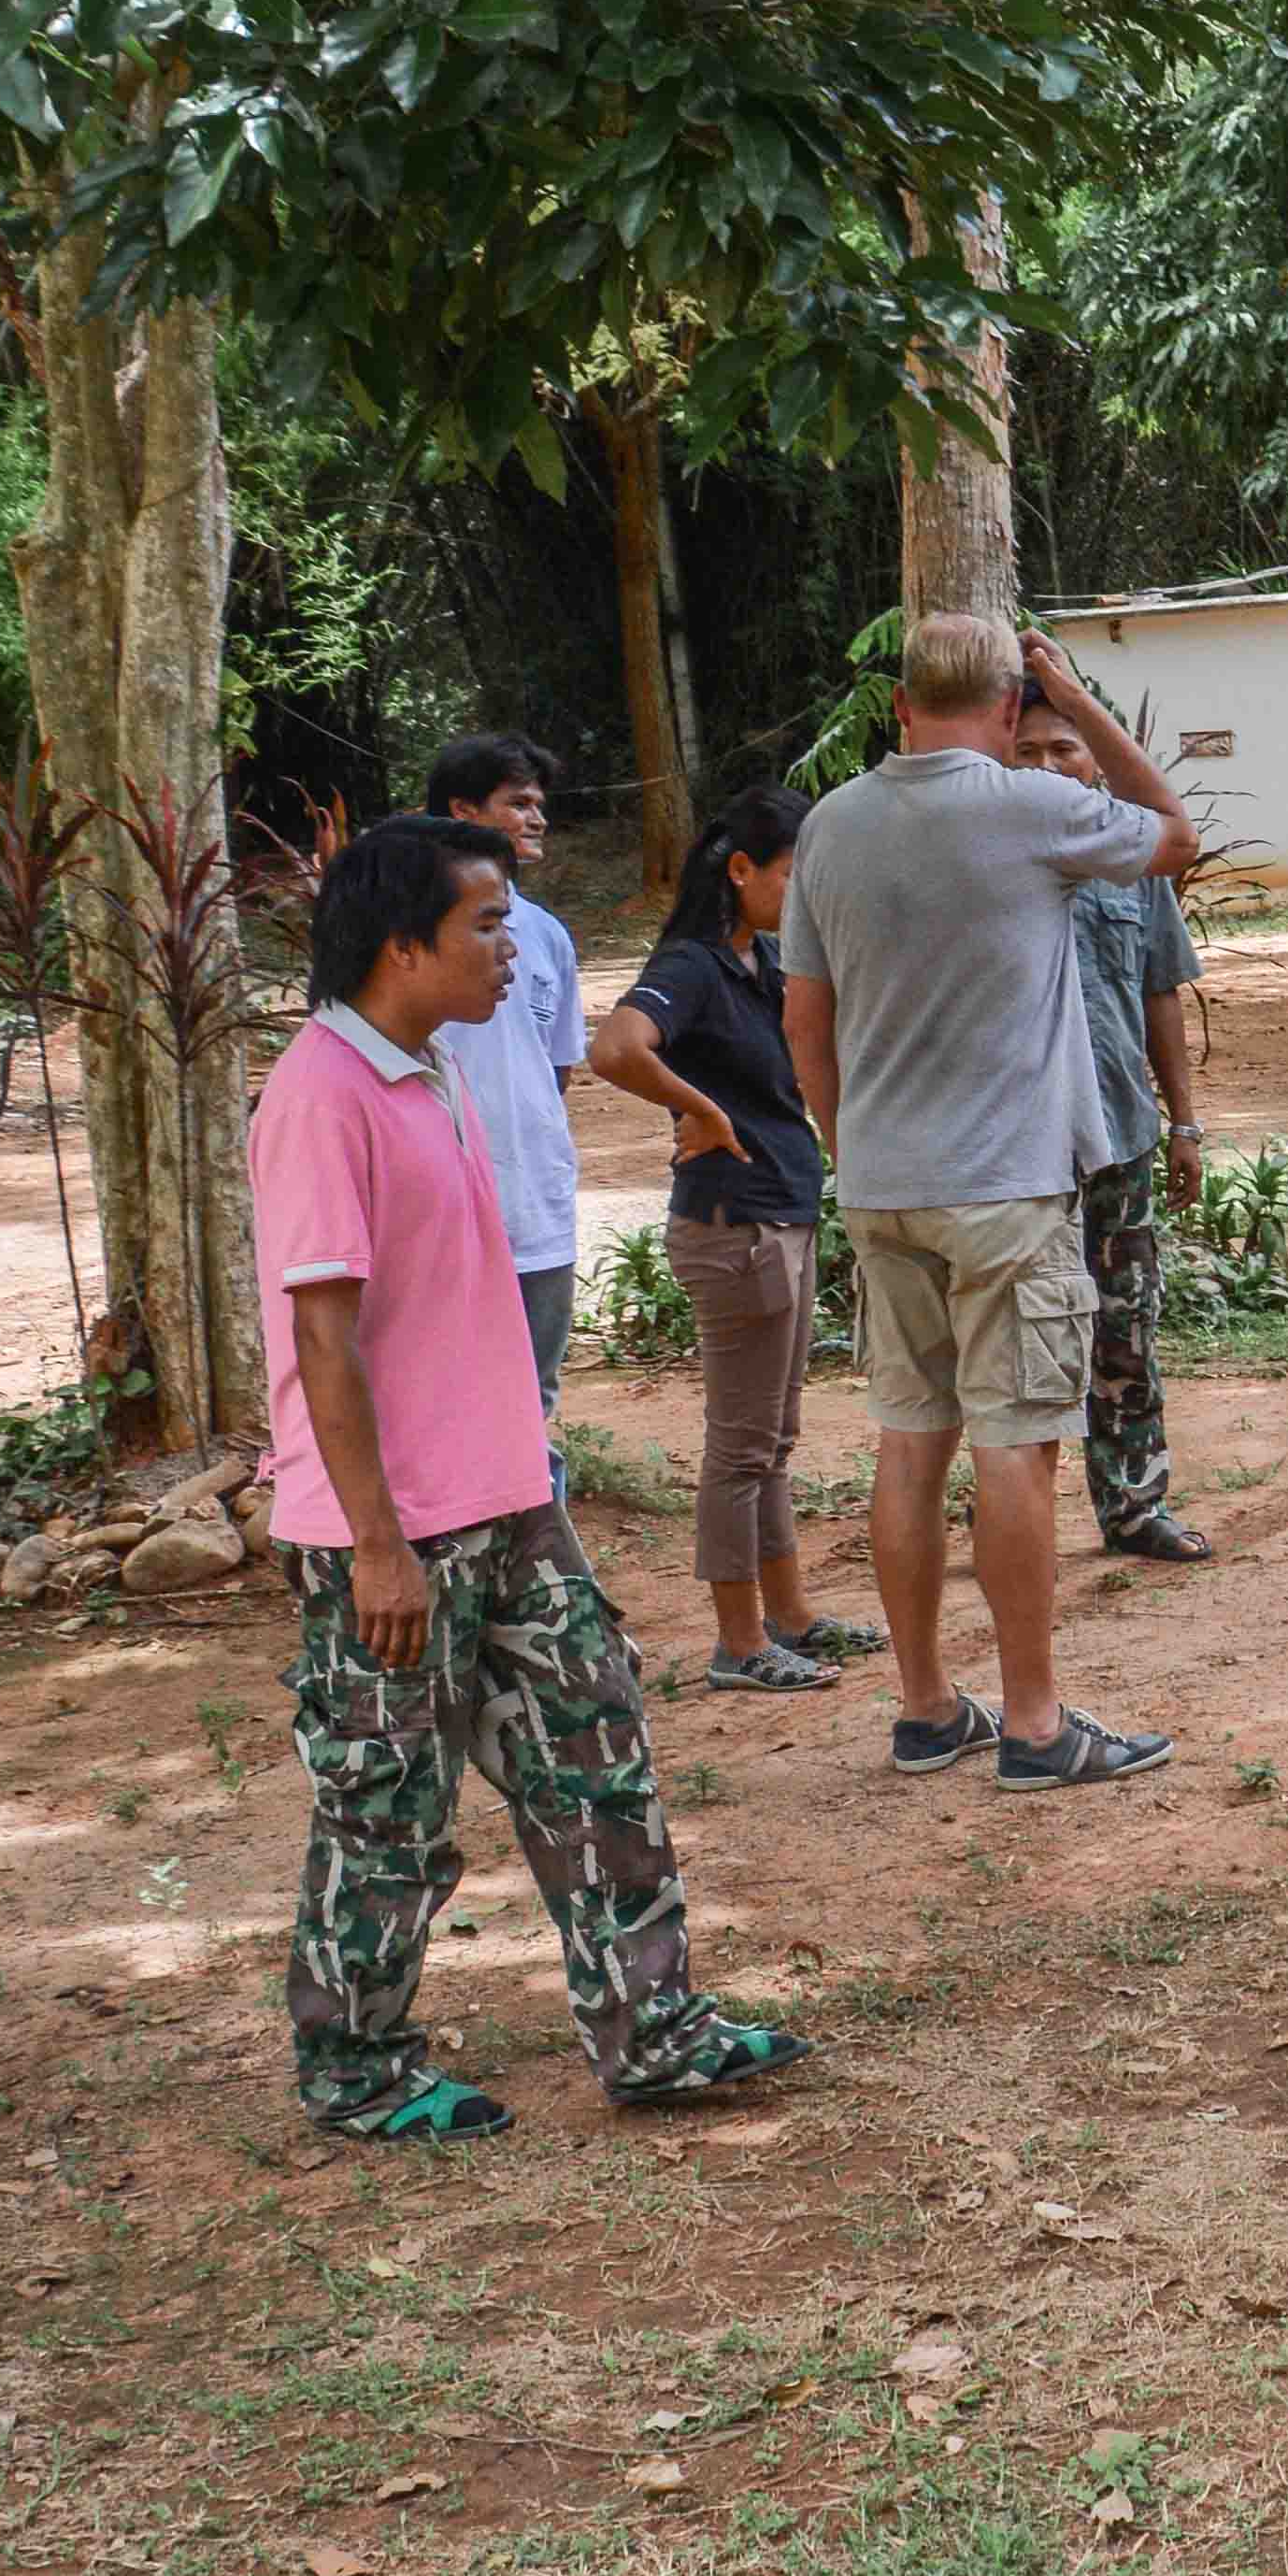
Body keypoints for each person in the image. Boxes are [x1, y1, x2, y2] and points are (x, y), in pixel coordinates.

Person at [248, 815, 808, 2141]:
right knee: (389, 1806)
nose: (515, 949)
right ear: (402, 946)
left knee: (597, 1755)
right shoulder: (321, 1093)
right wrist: (375, 1544)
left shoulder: (432, 1065)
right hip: (394, 1532)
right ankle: (355, 2067)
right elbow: (322, 1340)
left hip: (509, 1503)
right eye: (487, 924)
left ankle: (653, 2028)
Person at [781, 608, 1202, 1787]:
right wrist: (1082, 700)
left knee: (910, 1440)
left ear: (899, 704)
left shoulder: (829, 823)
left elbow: (804, 1019)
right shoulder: (1033, 808)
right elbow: (1175, 835)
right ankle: (1032, 1722)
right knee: (1017, 1446)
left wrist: (849, 1147)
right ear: (1013, 709)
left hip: (883, 1185)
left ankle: (924, 1708)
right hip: (1006, 1187)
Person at [590, 782, 881, 1693]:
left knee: (774, 1440)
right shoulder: (691, 965)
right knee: (742, 1446)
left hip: (779, 1214)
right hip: (736, 1227)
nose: (806, 895)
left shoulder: (764, 962)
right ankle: (739, 1643)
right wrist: (701, 1109)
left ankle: (789, 1618)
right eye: (795, 876)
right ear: (742, 869)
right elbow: (615, 1048)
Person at [1013, 680, 1218, 1564]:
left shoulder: (1134, 855)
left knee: (1125, 1325)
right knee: (1019, 1338)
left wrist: (1184, 1124)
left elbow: (1158, 989)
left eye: (1064, 748)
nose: (1047, 765)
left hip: (1121, 1135)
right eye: (1026, 750)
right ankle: (1013, 1518)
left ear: (1096, 759)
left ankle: (1135, 1504)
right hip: (1021, 1149)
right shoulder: (988, 855)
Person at [423, 734, 591, 1482]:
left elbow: (555, 1069)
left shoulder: (547, 936)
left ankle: (536, 1548)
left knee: (532, 1399)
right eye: (517, 803)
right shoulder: (411, 932)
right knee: (447, 1396)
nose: (536, 817)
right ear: (464, 811)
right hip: (442, 1209)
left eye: (538, 803)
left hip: (536, 1207)